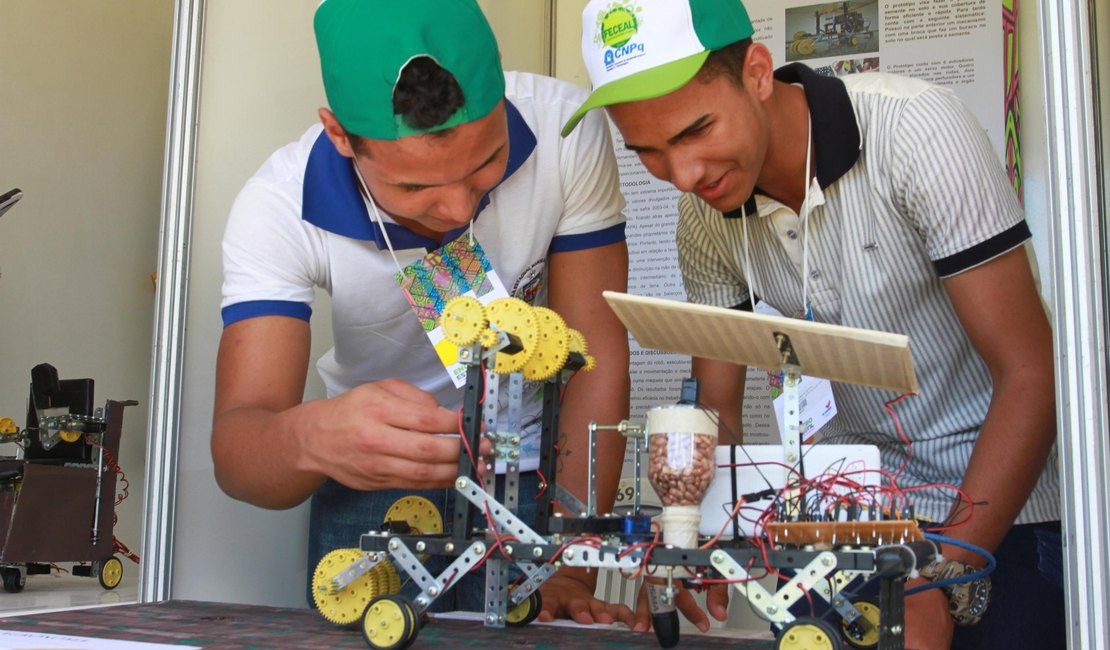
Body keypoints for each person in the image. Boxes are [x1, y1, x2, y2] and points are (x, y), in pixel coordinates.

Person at [563, 1, 1063, 648]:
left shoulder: (915, 130)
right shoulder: (705, 216)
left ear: (759, 72)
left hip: (1006, 516)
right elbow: (719, 408)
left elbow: (1033, 371)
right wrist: (701, 530)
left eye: (695, 131)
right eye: (649, 152)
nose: (683, 176)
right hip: (856, 520)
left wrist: (942, 571)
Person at [211, 0, 634, 626]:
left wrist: (568, 566)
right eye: (414, 188)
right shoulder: (275, 207)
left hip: (530, 468)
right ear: (339, 135)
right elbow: (237, 448)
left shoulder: (567, 132)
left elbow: (594, 365)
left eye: (486, 162)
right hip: (368, 473)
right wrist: (312, 437)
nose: (461, 211)